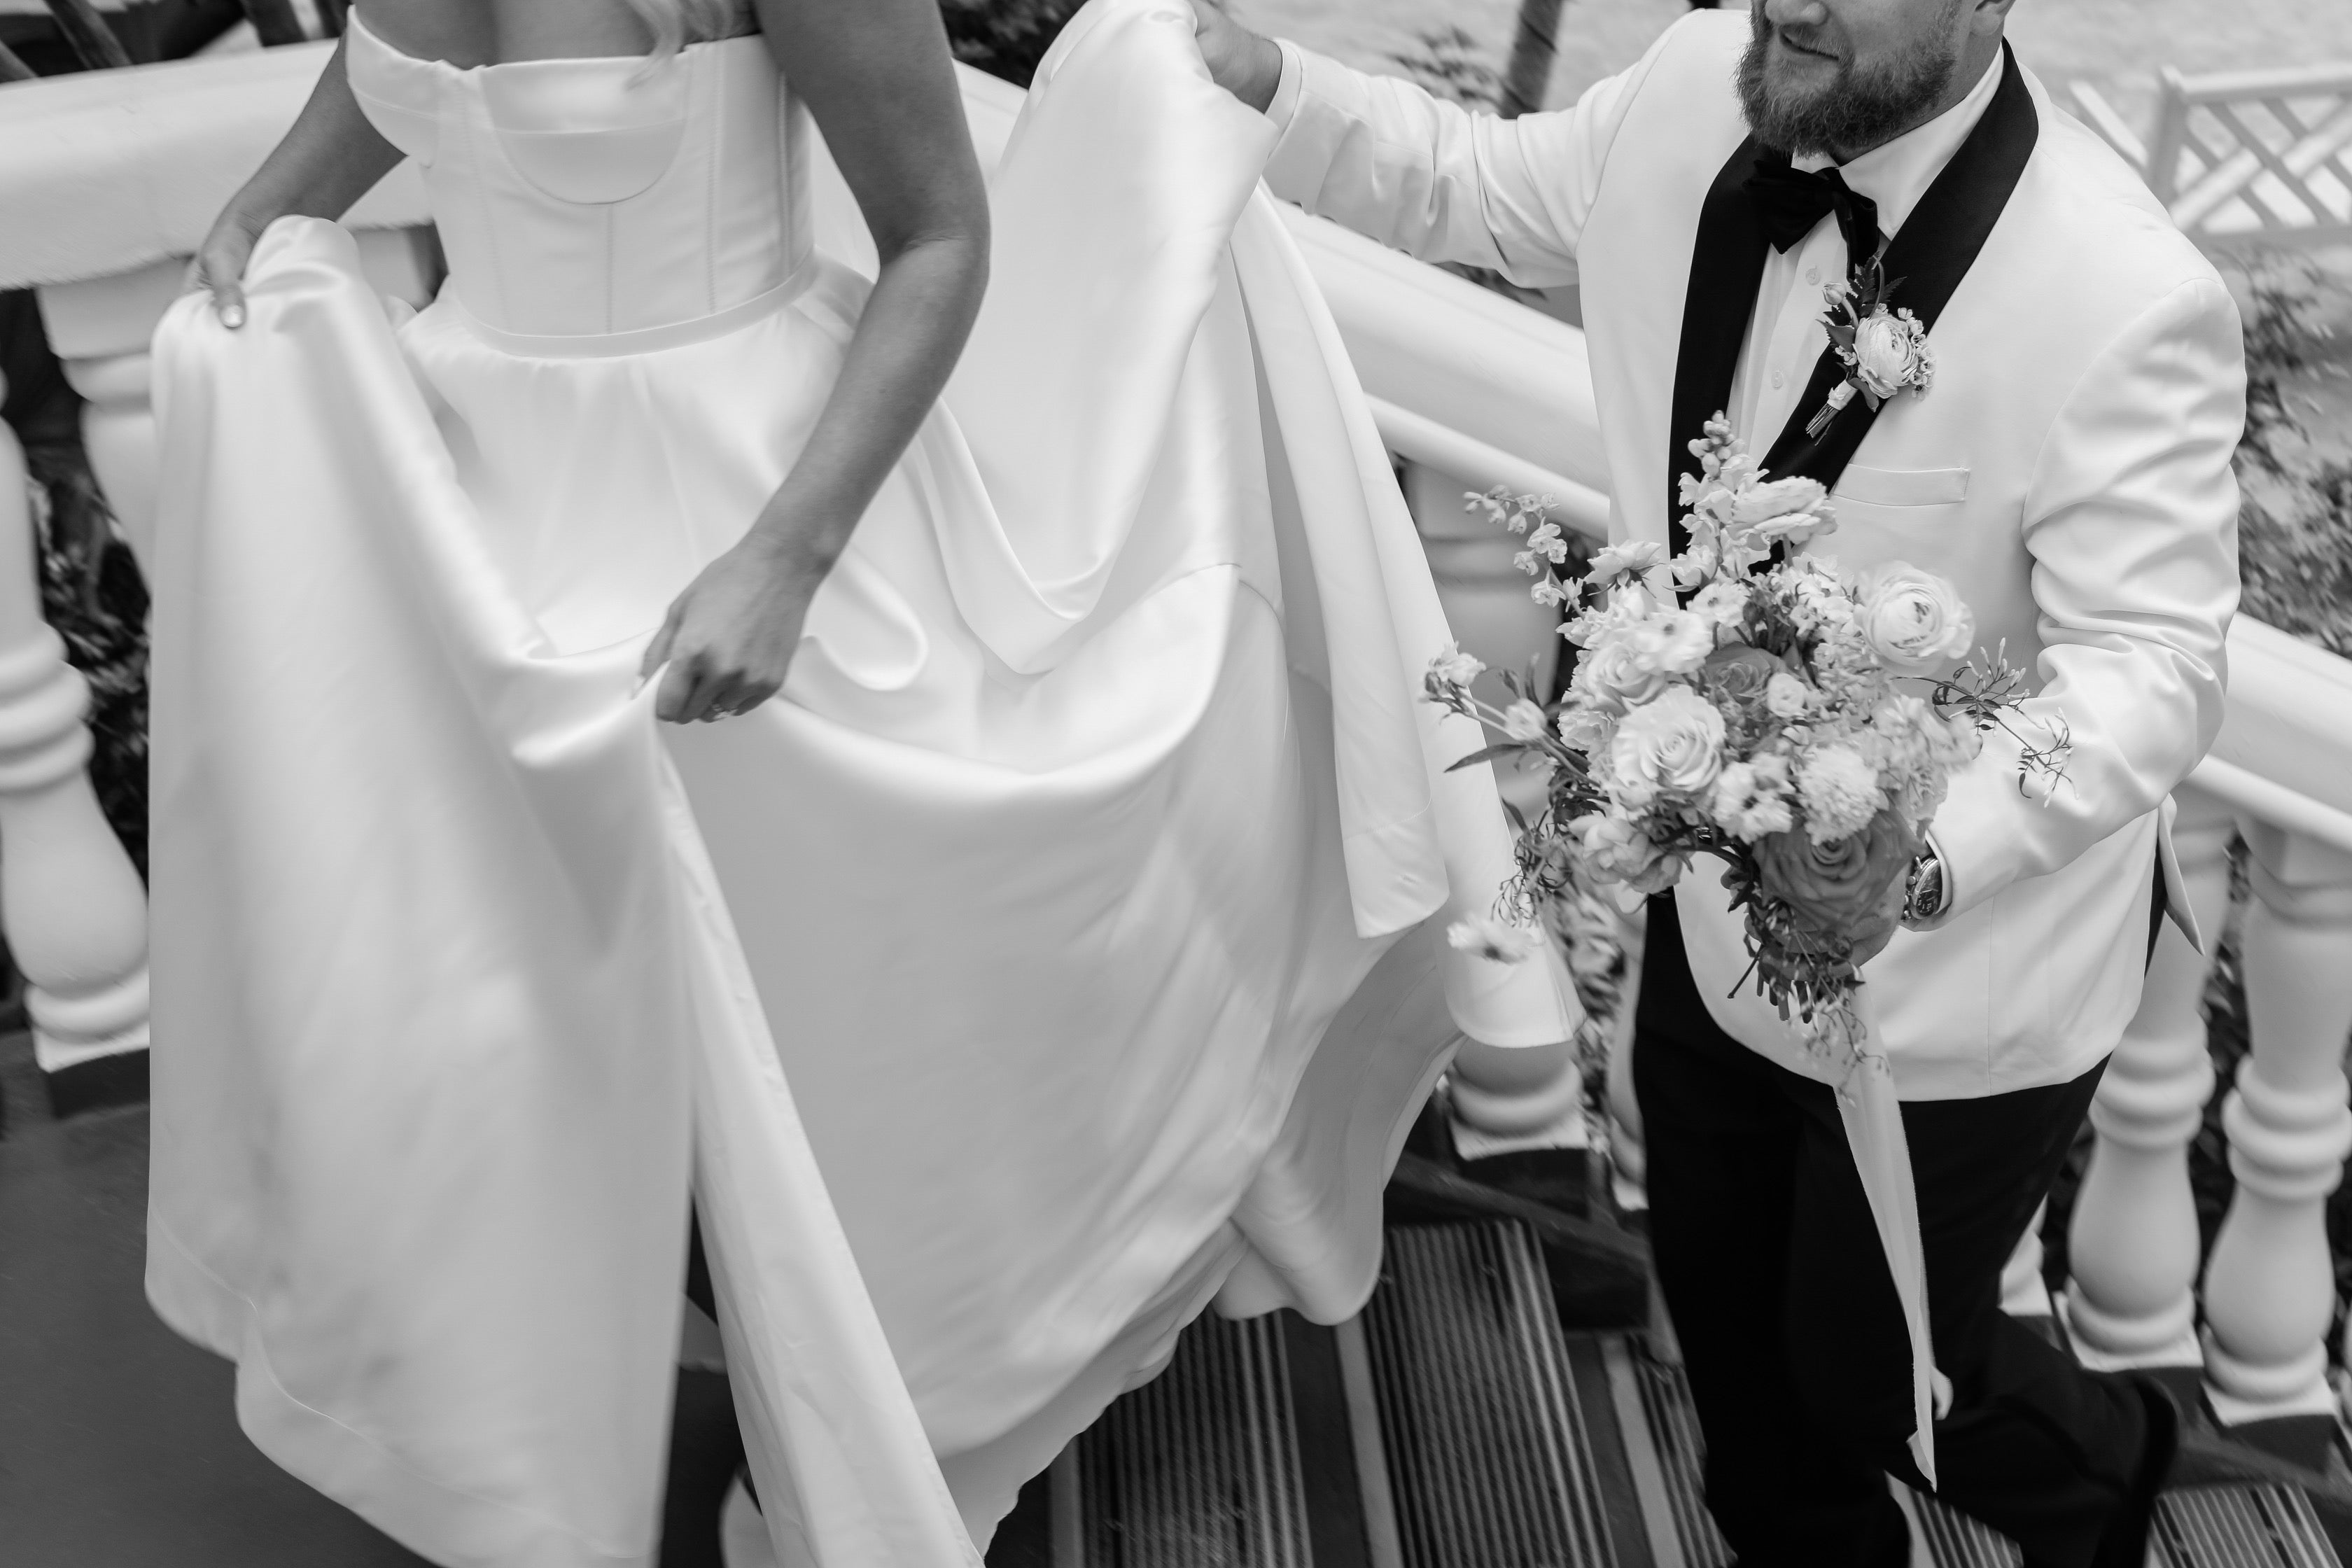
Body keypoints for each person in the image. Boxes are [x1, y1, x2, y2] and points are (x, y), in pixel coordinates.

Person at [148, 0, 1575, 1563]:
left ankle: (868, 1442)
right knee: (501, 1014)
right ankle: (549, 1431)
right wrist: (251, 237)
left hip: (748, 503)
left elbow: (940, 240)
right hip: (473, 516)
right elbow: (372, 96)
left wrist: (782, 561)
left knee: (825, 1044)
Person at [1194, 0, 2244, 1564]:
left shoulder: (2126, 292)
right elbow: (1474, 182)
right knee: (1744, 1389)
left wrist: (1917, 853)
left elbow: (2156, 659)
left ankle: (2113, 1489)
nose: (1788, 2)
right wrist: (1265, 83)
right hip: (1707, 922)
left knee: (1884, 1385)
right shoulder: (1701, 79)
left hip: (1960, 986)